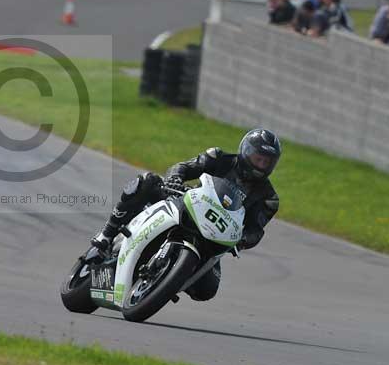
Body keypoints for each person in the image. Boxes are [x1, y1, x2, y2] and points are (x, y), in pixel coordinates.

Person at [91, 129, 281, 302]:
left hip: (214, 237)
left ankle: (167, 280)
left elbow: (256, 230)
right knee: (147, 181)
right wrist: (175, 178)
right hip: (186, 205)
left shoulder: (268, 198)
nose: (261, 165)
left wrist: (243, 239)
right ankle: (107, 233)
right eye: (258, 158)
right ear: (246, 151)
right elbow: (183, 167)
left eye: (267, 162)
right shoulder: (218, 158)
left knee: (207, 290)